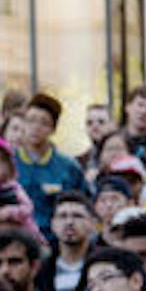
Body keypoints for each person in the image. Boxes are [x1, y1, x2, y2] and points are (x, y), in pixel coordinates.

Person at [12, 93, 87, 233]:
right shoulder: (8, 164)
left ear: (53, 129)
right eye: (31, 120)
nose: (36, 127)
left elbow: (83, 205)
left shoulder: (69, 167)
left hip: (55, 240)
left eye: (44, 123)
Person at [39, 190, 98, 291]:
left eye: (77, 216)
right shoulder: (41, 270)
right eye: (62, 216)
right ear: (53, 224)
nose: (69, 222)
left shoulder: (102, 267)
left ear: (92, 224)